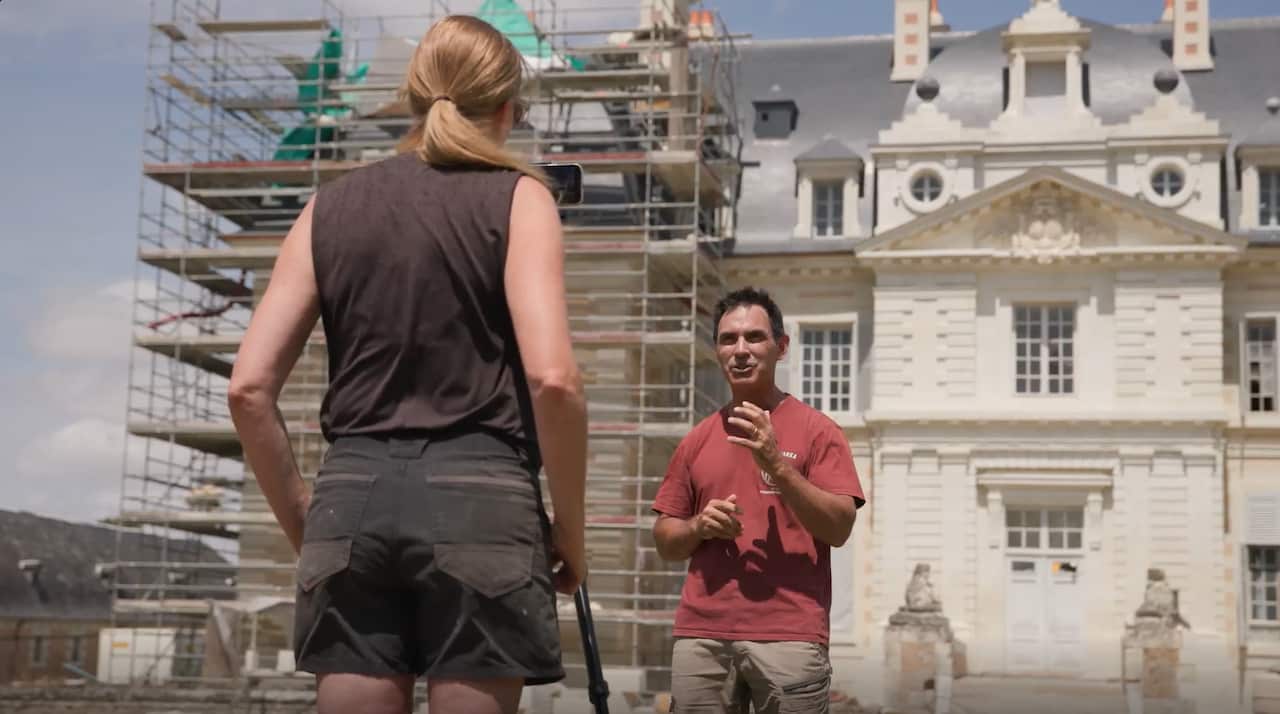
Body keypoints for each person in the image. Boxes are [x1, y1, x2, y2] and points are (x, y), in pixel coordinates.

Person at [227, 15, 587, 714]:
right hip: (482, 496)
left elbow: (247, 388)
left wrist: (307, 518)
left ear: (414, 98)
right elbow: (553, 379)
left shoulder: (326, 208)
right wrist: (570, 528)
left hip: (351, 494)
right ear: (508, 109)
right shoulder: (521, 198)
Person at [651, 286, 866, 714]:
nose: (741, 350)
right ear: (717, 350)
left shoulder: (818, 431)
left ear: (780, 347)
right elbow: (665, 540)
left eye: (754, 337)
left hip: (790, 635)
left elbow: (840, 528)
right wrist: (698, 527)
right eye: (729, 339)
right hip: (703, 636)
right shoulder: (697, 439)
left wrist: (777, 466)